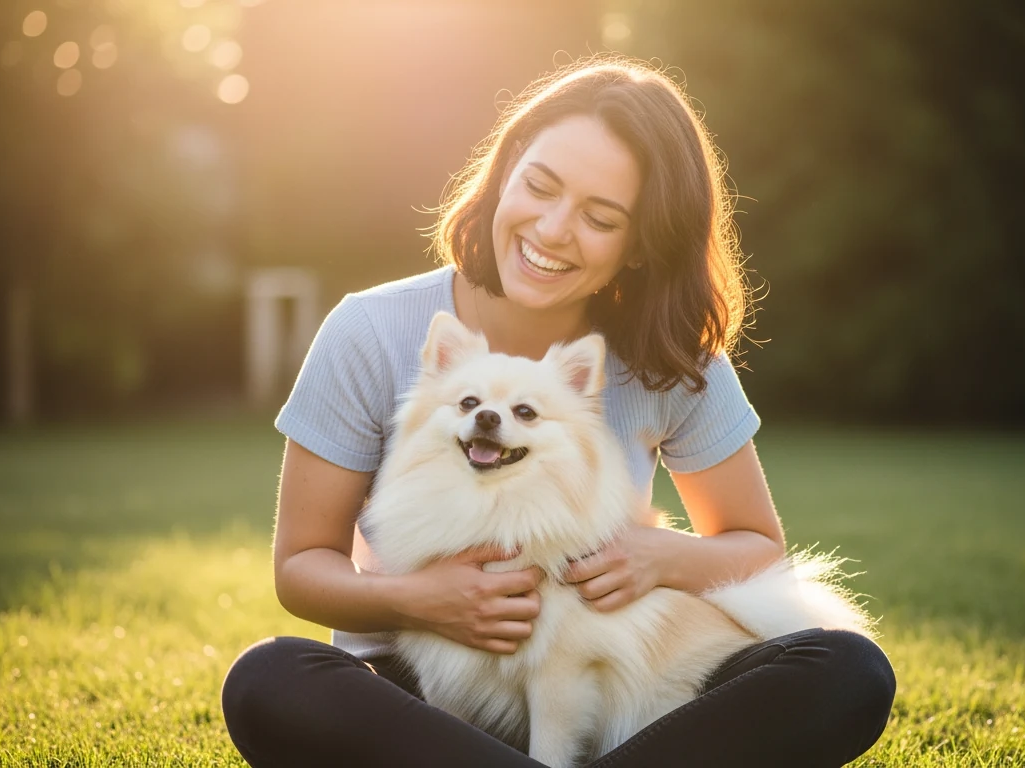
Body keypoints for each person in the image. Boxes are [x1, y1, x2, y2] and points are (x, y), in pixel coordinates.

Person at [221, 55, 895, 767]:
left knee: (847, 671)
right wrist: (423, 599)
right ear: (507, 168)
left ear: (641, 246)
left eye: (600, 218)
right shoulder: (371, 329)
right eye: (540, 186)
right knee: (270, 679)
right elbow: (301, 566)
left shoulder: (670, 356)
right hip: (416, 698)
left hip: (619, 699)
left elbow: (757, 547)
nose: (551, 229)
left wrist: (657, 555)